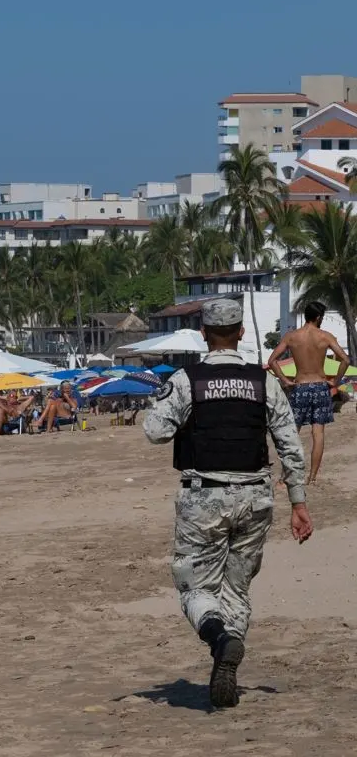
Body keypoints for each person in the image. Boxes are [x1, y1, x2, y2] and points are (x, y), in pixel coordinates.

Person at [143, 299, 312, 709]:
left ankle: (219, 639)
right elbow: (289, 443)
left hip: (205, 495)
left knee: (195, 585)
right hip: (256, 495)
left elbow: (155, 432)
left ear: (204, 333)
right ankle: (229, 655)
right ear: (240, 333)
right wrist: (299, 502)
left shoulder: (188, 380)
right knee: (237, 588)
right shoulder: (263, 381)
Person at [268, 300, 349, 484]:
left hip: (300, 387)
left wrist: (285, 380)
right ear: (318, 317)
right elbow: (345, 359)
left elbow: (272, 360)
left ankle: (286, 476)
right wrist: (335, 381)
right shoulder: (325, 336)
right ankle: (312, 478)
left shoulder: (292, 337)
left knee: (292, 433)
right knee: (318, 433)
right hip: (320, 387)